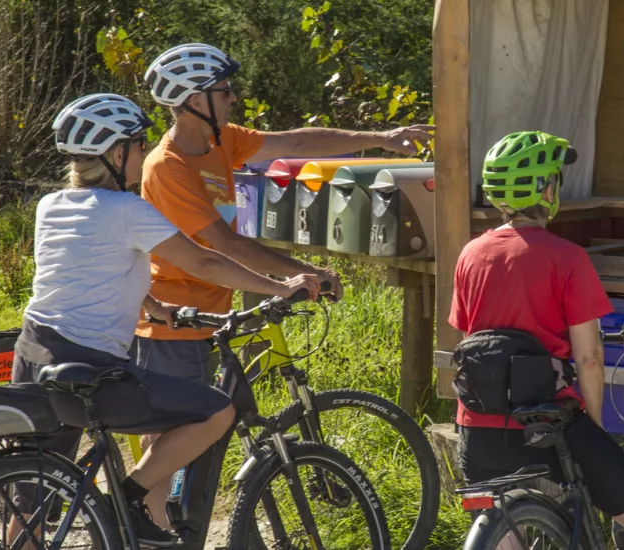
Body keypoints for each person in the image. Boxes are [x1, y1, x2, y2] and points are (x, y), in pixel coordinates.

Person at [129, 42, 435, 521]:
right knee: (168, 443)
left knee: (191, 434)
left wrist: (381, 137)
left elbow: (296, 142)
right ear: (193, 101)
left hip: (212, 312)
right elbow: (222, 247)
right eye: (224, 91)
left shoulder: (219, 141)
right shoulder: (167, 167)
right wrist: (296, 273)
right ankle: (147, 526)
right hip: (173, 321)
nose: (233, 98)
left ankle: (168, 523)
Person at [9, 92, 320, 548]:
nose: (143, 152)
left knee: (31, 500)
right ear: (116, 154)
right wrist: (282, 284)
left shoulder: (50, 205)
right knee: (216, 410)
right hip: (91, 374)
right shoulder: (127, 210)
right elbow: (206, 263)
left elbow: (88, 273)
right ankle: (129, 499)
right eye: (137, 145)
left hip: (34, 359)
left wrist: (155, 309)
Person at [450, 131, 624, 549]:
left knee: (501, 532)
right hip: (550, 425)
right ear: (547, 189)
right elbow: (588, 358)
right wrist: (597, 428)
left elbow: (471, 345)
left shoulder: (471, 254)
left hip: (478, 428)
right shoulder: (567, 258)